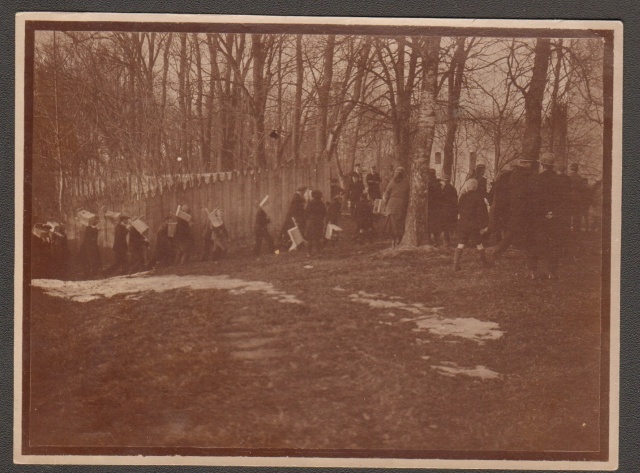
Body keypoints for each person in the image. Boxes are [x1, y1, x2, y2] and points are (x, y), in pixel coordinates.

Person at [492, 157, 536, 261]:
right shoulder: (519, 175)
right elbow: (522, 192)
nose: (530, 165)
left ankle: (527, 255)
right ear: (524, 164)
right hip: (519, 208)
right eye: (528, 163)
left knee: (518, 231)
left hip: (520, 208)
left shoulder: (520, 173)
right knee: (512, 232)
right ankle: (497, 251)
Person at [528, 152, 563, 279]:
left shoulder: (534, 179)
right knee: (553, 244)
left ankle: (532, 271)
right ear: (552, 166)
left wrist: (541, 212)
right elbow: (562, 200)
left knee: (533, 243)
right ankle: (552, 273)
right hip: (554, 217)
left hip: (537, 217)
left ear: (542, 164)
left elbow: (532, 200)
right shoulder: (560, 180)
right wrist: (552, 212)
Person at [453, 179, 491, 271]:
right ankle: (485, 263)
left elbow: (458, 210)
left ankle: (456, 265)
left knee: (461, 243)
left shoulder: (463, 197)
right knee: (479, 244)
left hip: (462, 224)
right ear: (476, 187)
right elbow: (482, 213)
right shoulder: (478, 197)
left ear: (468, 186)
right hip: (473, 225)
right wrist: (484, 225)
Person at [383, 166, 410, 247]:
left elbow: (386, 194)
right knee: (400, 223)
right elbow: (409, 195)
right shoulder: (406, 182)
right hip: (401, 205)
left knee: (391, 224)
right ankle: (398, 240)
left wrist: (386, 203)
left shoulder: (391, 182)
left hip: (391, 204)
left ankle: (393, 241)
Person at [488, 165, 514, 243]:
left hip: (497, 206)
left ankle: (497, 240)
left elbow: (490, 196)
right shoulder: (510, 185)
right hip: (505, 206)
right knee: (504, 224)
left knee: (497, 223)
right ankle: (503, 241)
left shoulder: (497, 185)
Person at [304, 189, 327, 255]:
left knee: (310, 239)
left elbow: (306, 214)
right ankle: (319, 252)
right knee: (318, 238)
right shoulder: (322, 203)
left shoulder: (310, 203)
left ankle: (309, 253)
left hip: (311, 223)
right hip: (319, 223)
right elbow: (325, 213)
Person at [568, 163, 588, 232]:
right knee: (577, 215)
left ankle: (568, 231)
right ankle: (576, 230)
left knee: (569, 214)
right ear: (577, 169)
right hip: (578, 198)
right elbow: (583, 189)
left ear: (571, 169)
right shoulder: (580, 178)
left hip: (570, 198)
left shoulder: (568, 177)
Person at [440, 175, 458, 247]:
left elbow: (442, 199)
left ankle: (447, 241)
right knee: (449, 225)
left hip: (446, 210)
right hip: (451, 210)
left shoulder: (444, 189)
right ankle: (448, 240)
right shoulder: (453, 188)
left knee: (446, 226)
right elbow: (455, 199)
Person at [427, 168, 443, 245]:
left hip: (432, 206)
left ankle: (434, 240)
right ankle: (435, 240)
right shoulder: (437, 184)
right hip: (436, 206)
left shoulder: (430, 184)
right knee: (434, 224)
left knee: (432, 223)